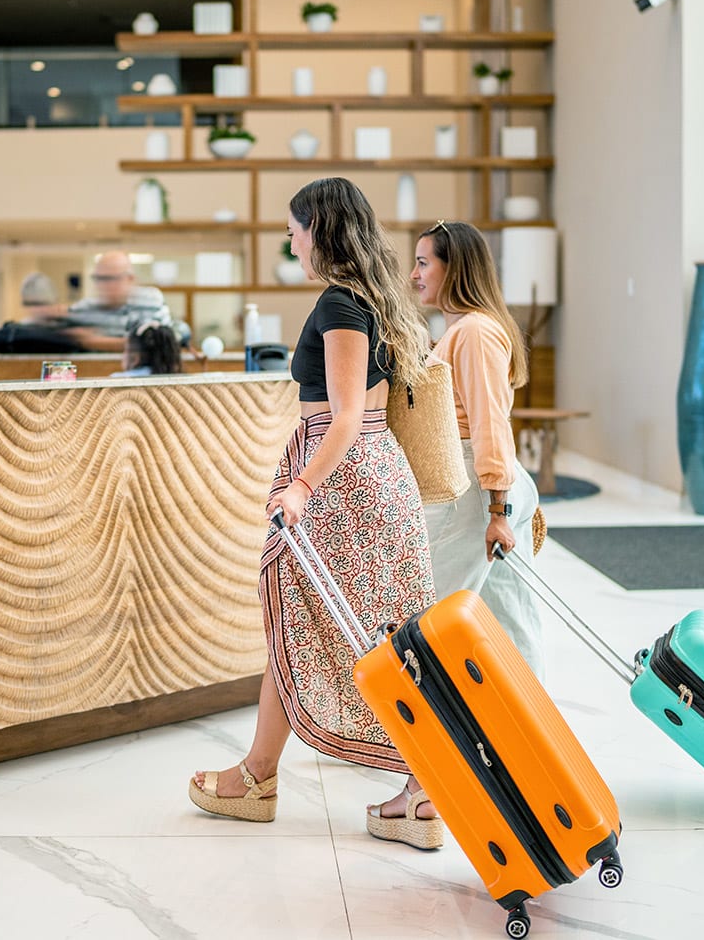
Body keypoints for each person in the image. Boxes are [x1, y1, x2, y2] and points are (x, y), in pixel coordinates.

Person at [189, 177, 444, 849]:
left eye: (295, 228)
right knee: (311, 624)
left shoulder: (339, 304)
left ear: (319, 231)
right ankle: (260, 774)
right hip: (375, 476)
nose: (291, 239)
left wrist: (300, 485)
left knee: (351, 633)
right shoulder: (375, 300)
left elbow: (346, 416)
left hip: (344, 482)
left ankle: (423, 791)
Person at [410, 220, 544, 678]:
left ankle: (407, 734)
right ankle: (527, 735)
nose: (414, 274)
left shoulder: (474, 333)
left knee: (429, 615)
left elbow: (489, 423)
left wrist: (497, 509)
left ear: (455, 268)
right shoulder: (463, 331)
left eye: (424, 263)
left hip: (476, 489)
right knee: (510, 621)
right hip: (487, 487)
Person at [63, 251, 185, 351]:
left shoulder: (150, 299)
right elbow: (65, 335)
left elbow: (155, 342)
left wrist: (92, 341)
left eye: (109, 278)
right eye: (98, 278)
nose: (102, 285)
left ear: (130, 279)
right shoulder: (86, 306)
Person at [112, 320, 183, 377]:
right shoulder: (180, 381)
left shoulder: (116, 380)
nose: (123, 355)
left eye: (125, 350)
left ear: (135, 358)